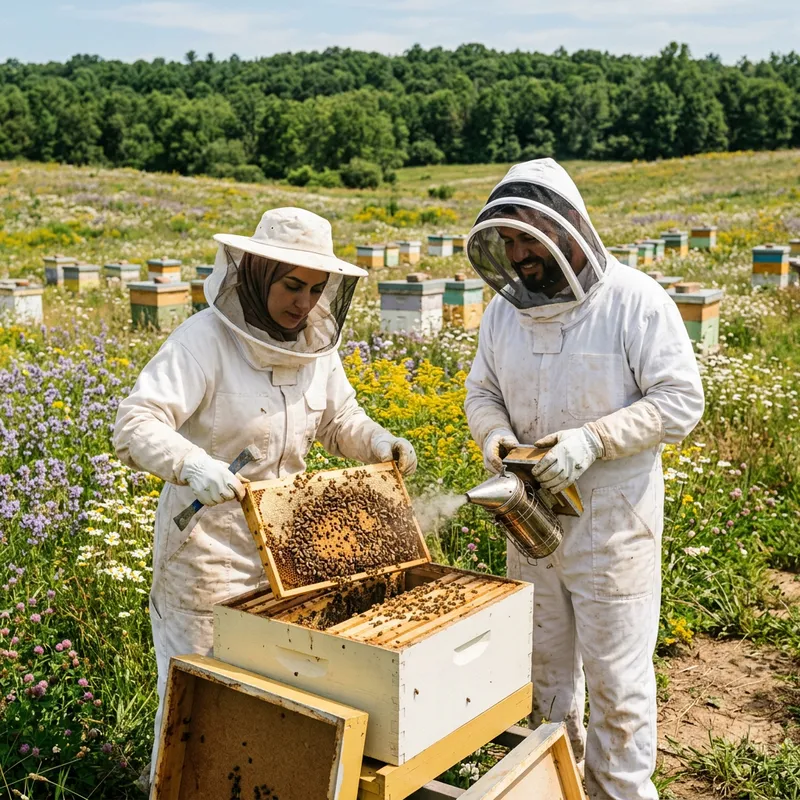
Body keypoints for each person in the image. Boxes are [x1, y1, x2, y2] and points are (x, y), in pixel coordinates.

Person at [113, 207, 416, 787]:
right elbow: (134, 424)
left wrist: (378, 439)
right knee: (192, 714)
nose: (303, 304)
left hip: (286, 557)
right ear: (255, 274)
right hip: (205, 559)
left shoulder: (316, 350)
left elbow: (339, 418)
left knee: (270, 712)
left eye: (316, 290)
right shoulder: (203, 340)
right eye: (290, 286)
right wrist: (190, 463)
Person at [463, 159, 704, 800]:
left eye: (527, 240)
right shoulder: (503, 313)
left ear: (566, 229)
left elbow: (681, 401)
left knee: (618, 687)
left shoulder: (635, 301)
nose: (517, 255)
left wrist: (593, 439)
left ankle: (620, 791)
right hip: (529, 526)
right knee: (543, 682)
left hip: (611, 530)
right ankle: (556, 788)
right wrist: (495, 440)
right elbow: (481, 391)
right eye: (508, 242)